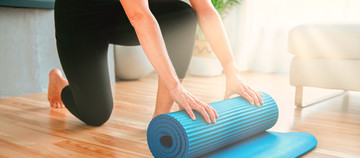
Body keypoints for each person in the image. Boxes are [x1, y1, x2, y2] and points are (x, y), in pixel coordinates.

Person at [48, 0, 263, 126]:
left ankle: (160, 116)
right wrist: (176, 86)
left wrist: (230, 69)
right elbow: (139, 16)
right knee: (96, 114)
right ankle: (59, 83)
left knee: (183, 16)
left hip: (116, 13)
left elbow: (205, 11)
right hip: (80, 20)